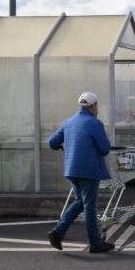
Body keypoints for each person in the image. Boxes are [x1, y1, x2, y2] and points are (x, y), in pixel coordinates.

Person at [47, 92, 115, 253]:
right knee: (90, 207)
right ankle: (95, 243)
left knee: (79, 202)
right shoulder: (94, 123)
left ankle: (58, 232)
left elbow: (51, 142)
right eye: (96, 106)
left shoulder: (68, 122)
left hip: (72, 170)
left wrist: (63, 146)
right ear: (93, 106)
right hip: (89, 171)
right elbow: (105, 149)